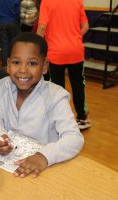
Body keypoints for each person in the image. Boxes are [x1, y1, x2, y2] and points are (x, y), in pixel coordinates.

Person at [0, 33, 84, 178]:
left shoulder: (56, 96)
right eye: (16, 62)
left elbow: (74, 138)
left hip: (44, 171)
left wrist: (44, 156)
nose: (23, 70)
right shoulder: (2, 86)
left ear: (44, 67)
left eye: (32, 63)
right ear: (8, 64)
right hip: (10, 168)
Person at [37, 0, 90, 130]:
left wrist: (37, 47)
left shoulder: (47, 2)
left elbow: (42, 27)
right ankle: (82, 118)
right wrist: (75, 37)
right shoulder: (77, 1)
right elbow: (85, 26)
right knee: (78, 84)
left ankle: (61, 120)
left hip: (56, 52)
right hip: (75, 50)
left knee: (57, 87)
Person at [0, 0, 20, 69]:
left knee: (4, 45)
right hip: (13, 23)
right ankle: (16, 63)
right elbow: (18, 12)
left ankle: (5, 65)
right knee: (15, 44)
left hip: (1, 23)